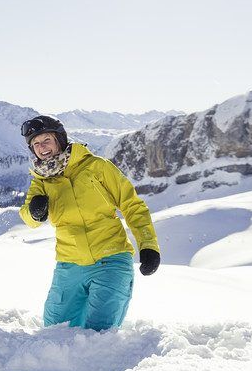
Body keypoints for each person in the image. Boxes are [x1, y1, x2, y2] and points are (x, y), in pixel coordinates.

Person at [18, 115, 160, 331]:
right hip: (69, 265)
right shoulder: (42, 181)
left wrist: (148, 245)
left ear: (59, 140)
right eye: (35, 144)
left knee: (98, 334)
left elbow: (132, 205)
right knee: (54, 332)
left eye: (46, 140)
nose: (41, 147)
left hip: (110, 259)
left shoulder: (96, 167)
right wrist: (34, 212)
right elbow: (28, 219)